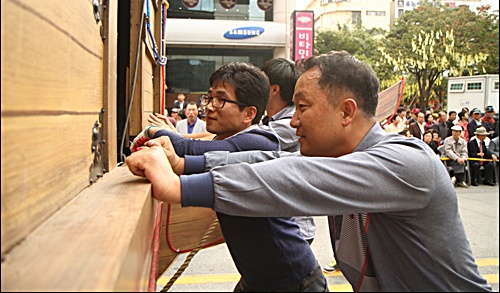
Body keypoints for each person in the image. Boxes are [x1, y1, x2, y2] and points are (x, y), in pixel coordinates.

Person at [126, 50, 492, 291]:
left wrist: (178, 187)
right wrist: (183, 165)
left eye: (302, 107)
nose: (293, 121)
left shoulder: (405, 162)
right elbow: (274, 164)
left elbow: (297, 178)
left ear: (346, 112)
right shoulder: (337, 160)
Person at [131, 61, 328, 292]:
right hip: (258, 279)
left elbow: (189, 150)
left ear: (249, 113)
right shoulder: (224, 141)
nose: (210, 107)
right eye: (209, 97)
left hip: (294, 282)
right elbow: (189, 153)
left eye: (221, 100)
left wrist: (150, 132)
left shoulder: (256, 141)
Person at [259, 57, 317, 246]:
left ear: (274, 89)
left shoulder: (289, 125)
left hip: (293, 227)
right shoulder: (265, 120)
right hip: (274, 221)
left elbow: (243, 141)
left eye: (260, 82)